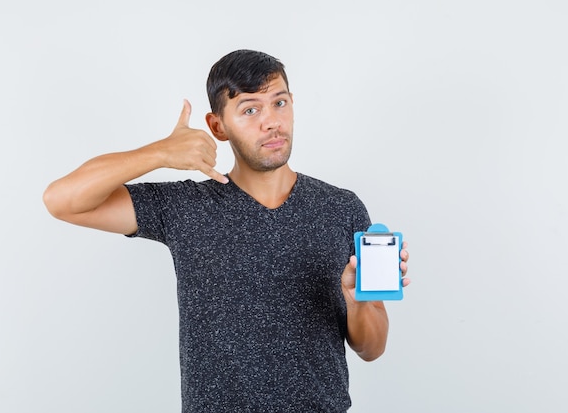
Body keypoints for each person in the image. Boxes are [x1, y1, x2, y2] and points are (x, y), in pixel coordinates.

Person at [43, 49, 410, 412]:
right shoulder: (184, 206)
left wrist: (356, 300)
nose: (271, 122)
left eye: (279, 103)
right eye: (250, 109)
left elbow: (372, 349)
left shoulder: (341, 208)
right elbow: (62, 200)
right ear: (218, 126)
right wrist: (159, 153)